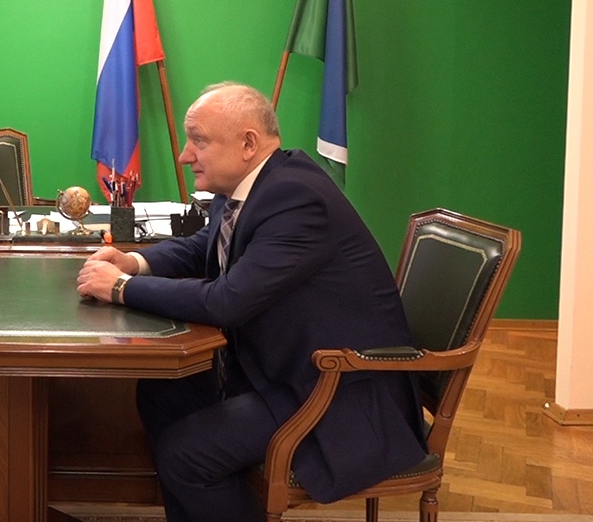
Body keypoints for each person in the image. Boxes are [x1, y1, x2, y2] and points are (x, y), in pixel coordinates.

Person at [76, 82, 427, 522]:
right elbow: (205, 246)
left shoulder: (296, 198)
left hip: (336, 390)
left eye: (199, 141)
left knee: (188, 455)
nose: (185, 155)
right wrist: (134, 261)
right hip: (281, 368)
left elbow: (227, 301)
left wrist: (121, 288)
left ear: (247, 143)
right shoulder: (250, 187)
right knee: (162, 393)